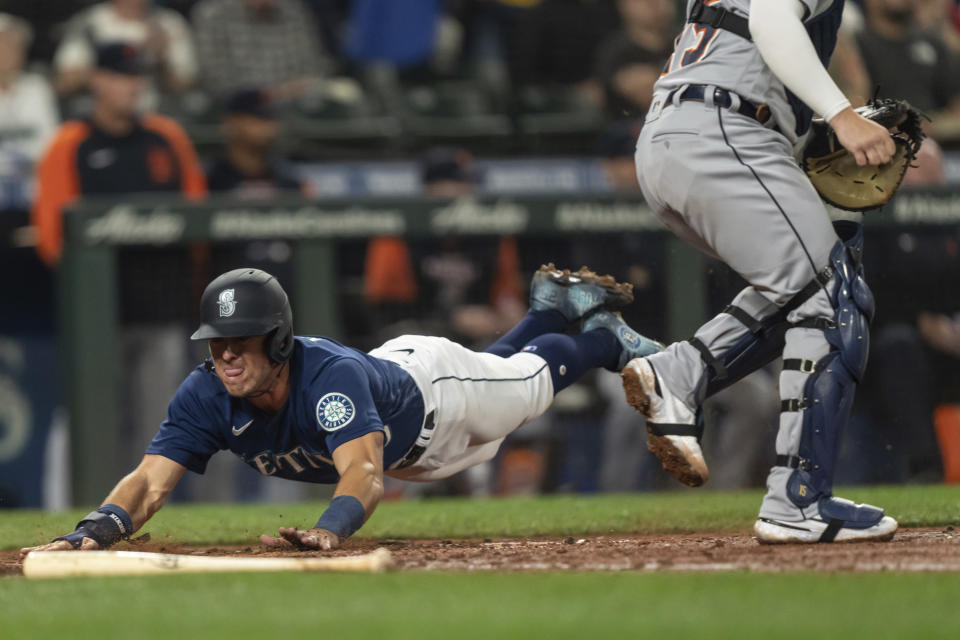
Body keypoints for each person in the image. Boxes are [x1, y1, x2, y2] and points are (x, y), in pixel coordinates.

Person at [19, 265, 659, 556]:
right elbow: (150, 481)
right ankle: (546, 308)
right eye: (217, 344)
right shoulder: (205, 392)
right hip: (413, 444)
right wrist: (100, 525)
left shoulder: (329, 379)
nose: (226, 357)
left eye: (240, 343)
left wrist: (333, 527)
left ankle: (601, 337)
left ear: (275, 340)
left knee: (525, 388)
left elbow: (364, 475)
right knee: (504, 376)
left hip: (438, 394)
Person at [629, 0, 898, 543]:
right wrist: (842, 114)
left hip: (683, 135)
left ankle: (680, 372)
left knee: (812, 288)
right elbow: (772, 20)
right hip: (725, 132)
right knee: (832, 299)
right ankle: (797, 502)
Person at [53, 0, 198, 106]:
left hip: (155, 114)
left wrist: (162, 58)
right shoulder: (89, 23)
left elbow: (184, 86)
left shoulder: (169, 24)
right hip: (98, 116)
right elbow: (64, 82)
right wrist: (112, 67)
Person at [191, 0, 329, 100]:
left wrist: (278, 94)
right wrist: (270, 95)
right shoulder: (212, 14)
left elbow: (313, 69)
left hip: (294, 106)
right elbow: (215, 80)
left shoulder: (294, 11)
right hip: (238, 111)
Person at [206, 87, 303, 198]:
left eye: (272, 118)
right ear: (231, 122)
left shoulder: (289, 179)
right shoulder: (207, 180)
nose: (269, 126)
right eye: (259, 117)